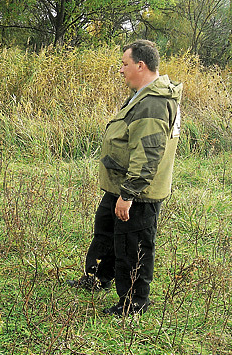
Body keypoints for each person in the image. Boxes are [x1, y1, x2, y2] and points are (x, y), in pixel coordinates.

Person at [68, 40, 183, 316]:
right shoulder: (143, 95)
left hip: (138, 193)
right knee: (106, 231)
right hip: (121, 184)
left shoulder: (154, 104)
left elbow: (148, 155)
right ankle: (97, 277)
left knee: (134, 245)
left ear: (140, 65)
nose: (121, 70)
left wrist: (128, 195)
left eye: (124, 64)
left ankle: (133, 303)